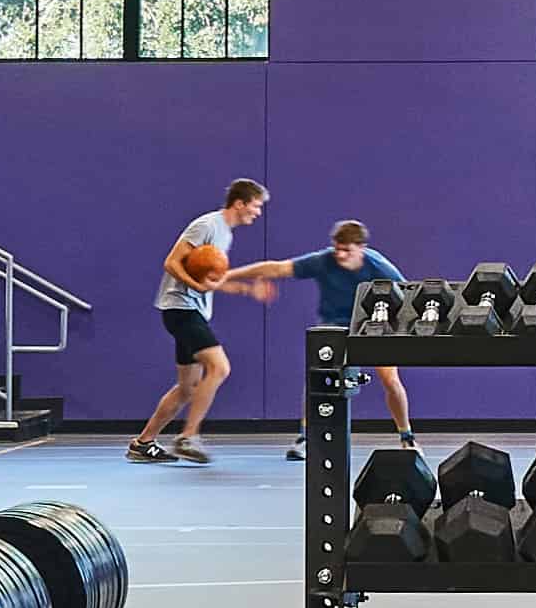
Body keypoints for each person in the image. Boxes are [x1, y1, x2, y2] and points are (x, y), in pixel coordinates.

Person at [126, 178, 279, 461]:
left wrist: (246, 289)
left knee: (187, 389)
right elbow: (171, 262)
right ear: (239, 203)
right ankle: (188, 437)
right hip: (181, 309)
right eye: (256, 206)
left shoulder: (225, 234)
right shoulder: (207, 225)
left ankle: (142, 444)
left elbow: (209, 280)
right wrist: (195, 286)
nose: (258, 213)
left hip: (191, 311)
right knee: (219, 367)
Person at [274, 214, 417, 438]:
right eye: (337, 249)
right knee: (317, 380)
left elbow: (407, 295)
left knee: (390, 380)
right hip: (335, 328)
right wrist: (229, 275)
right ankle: (305, 436)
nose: (340, 255)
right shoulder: (324, 260)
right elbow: (277, 268)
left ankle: (406, 436)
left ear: (361, 248)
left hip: (371, 327)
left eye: (347, 250)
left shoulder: (378, 266)